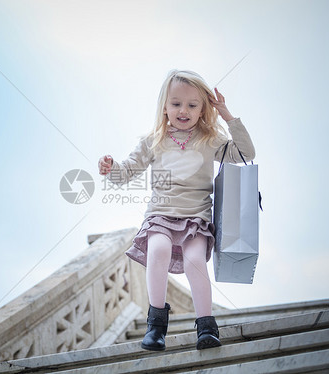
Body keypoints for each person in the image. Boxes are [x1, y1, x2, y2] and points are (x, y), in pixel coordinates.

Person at [98, 70, 255, 351]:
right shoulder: (153, 141)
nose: (183, 110)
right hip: (161, 215)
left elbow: (246, 154)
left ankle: (206, 326)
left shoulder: (209, 139)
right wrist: (111, 169)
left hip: (196, 217)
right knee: (158, 250)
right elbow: (126, 172)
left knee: (196, 259)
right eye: (176, 104)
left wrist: (226, 114)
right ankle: (156, 325)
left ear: (203, 109)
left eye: (192, 105)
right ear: (165, 106)